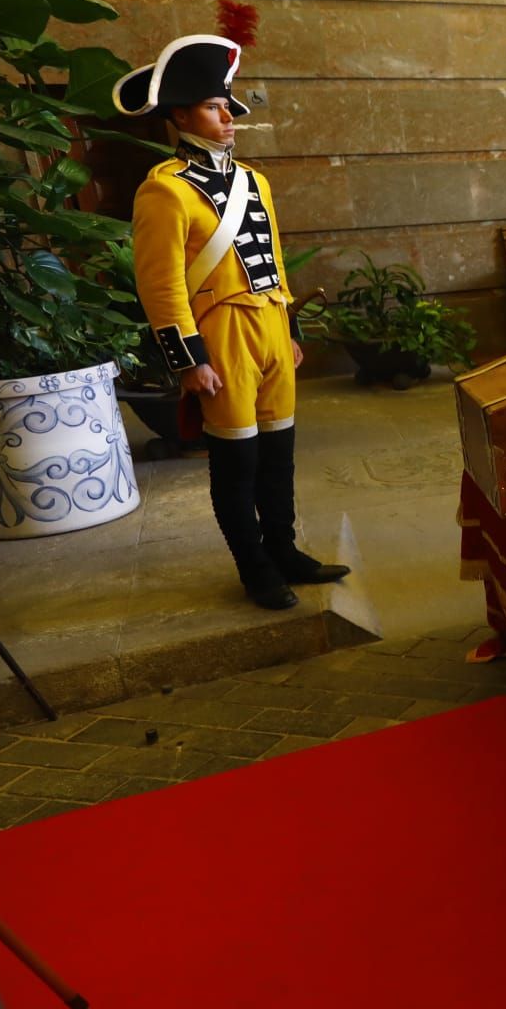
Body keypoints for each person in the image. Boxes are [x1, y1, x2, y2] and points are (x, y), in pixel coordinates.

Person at [115, 34, 349, 611]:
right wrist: (188, 360)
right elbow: (161, 282)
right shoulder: (164, 190)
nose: (228, 118)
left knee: (280, 453)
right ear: (180, 115)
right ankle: (255, 569)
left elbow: (271, 255)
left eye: (228, 108)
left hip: (269, 327)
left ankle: (286, 551)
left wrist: (290, 329)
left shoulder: (254, 182)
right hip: (219, 337)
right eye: (215, 108)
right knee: (237, 461)